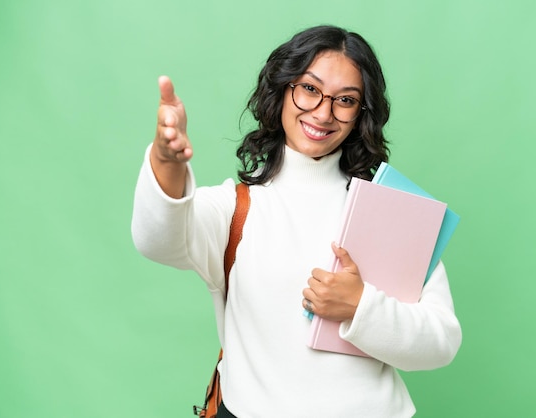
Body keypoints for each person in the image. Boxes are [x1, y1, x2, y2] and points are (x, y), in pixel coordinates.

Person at [132, 25, 462, 418]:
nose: (323, 112)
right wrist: (166, 162)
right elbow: (157, 239)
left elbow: (441, 342)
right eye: (309, 88)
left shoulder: (392, 210)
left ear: (361, 114)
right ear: (283, 88)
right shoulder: (236, 208)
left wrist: (360, 307)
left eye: (345, 100)